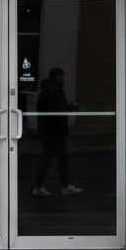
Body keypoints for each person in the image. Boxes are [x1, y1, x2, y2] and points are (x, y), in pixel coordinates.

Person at [32, 67, 82, 196]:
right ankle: (63, 186)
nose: (63, 80)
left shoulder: (50, 90)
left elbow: (55, 109)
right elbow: (56, 112)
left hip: (50, 131)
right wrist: (68, 109)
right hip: (53, 132)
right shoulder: (53, 91)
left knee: (49, 159)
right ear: (55, 78)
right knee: (61, 158)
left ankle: (39, 186)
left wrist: (68, 107)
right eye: (61, 77)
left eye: (63, 77)